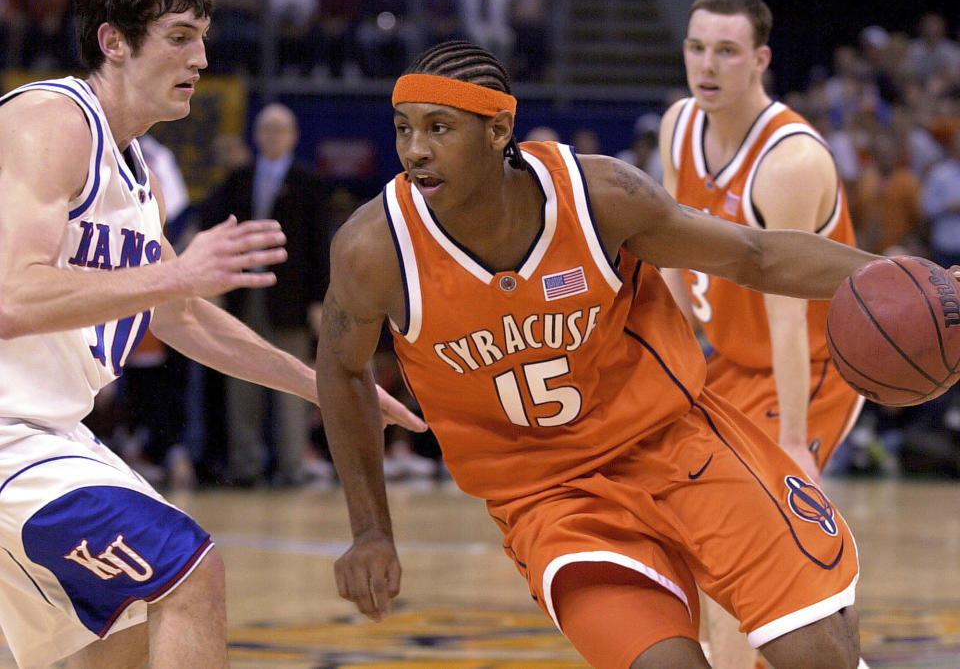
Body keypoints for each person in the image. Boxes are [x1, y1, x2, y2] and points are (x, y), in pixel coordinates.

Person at [315, 39, 881, 669]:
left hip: (675, 443)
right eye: (403, 130)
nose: (415, 150)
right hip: (549, 498)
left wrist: (899, 275)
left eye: (438, 128)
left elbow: (754, 254)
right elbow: (340, 369)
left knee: (815, 649)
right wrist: (370, 530)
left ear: (498, 129)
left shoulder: (600, 197)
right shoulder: (375, 249)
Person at [0, 0, 422, 668]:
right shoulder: (51, 120)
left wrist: (328, 386)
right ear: (114, 41)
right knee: (189, 574)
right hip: (10, 435)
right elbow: (11, 296)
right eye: (179, 36)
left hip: (48, 432)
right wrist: (178, 275)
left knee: (121, 637)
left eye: (203, 35)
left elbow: (182, 317)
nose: (202, 55)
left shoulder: (136, 171)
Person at [658, 0, 868, 669]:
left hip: (812, 365)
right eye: (697, 47)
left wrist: (792, 443)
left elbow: (786, 312)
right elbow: (667, 259)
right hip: (728, 360)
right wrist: (667, 371)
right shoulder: (678, 127)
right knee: (688, 538)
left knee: (741, 544)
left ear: (760, 60)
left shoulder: (791, 161)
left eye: (726, 50)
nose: (707, 64)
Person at [201, 102, 330, 487]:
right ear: (256, 136)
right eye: (266, 129)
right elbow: (214, 230)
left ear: (292, 136)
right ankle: (246, 465)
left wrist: (319, 301)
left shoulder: (308, 182)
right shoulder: (238, 179)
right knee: (241, 383)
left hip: (290, 299)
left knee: (292, 383)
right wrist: (215, 287)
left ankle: (291, 468)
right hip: (243, 295)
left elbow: (319, 246)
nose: (273, 136)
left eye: (280, 129)